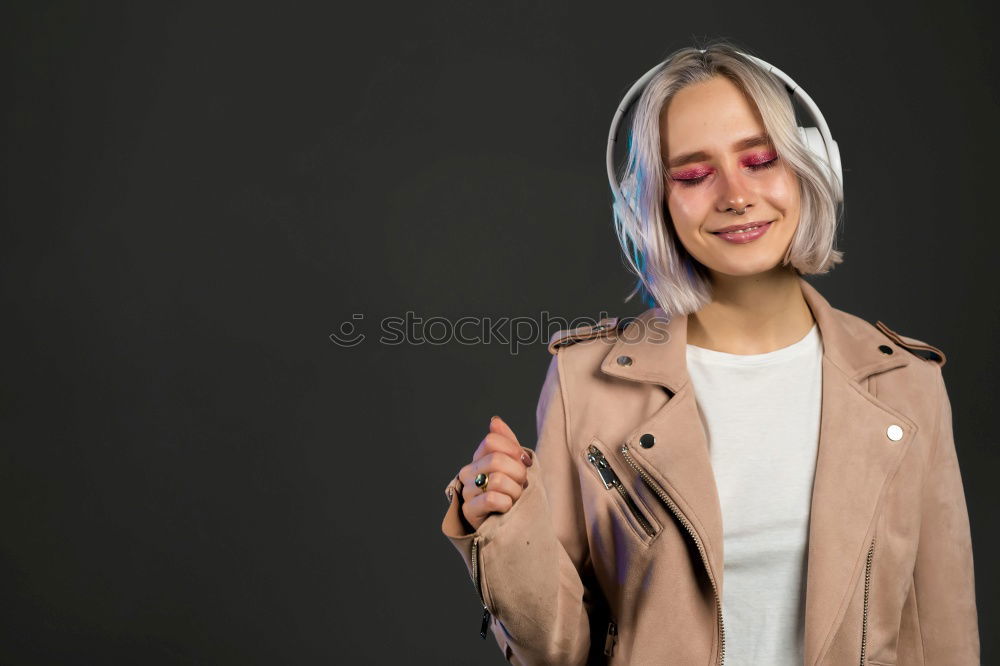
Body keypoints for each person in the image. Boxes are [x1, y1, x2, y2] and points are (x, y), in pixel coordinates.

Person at [440, 41, 979, 665]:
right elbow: (557, 651)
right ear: (654, 203)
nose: (735, 195)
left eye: (760, 160)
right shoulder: (585, 381)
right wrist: (504, 529)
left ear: (814, 167)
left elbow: (946, 629)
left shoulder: (905, 382)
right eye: (694, 175)